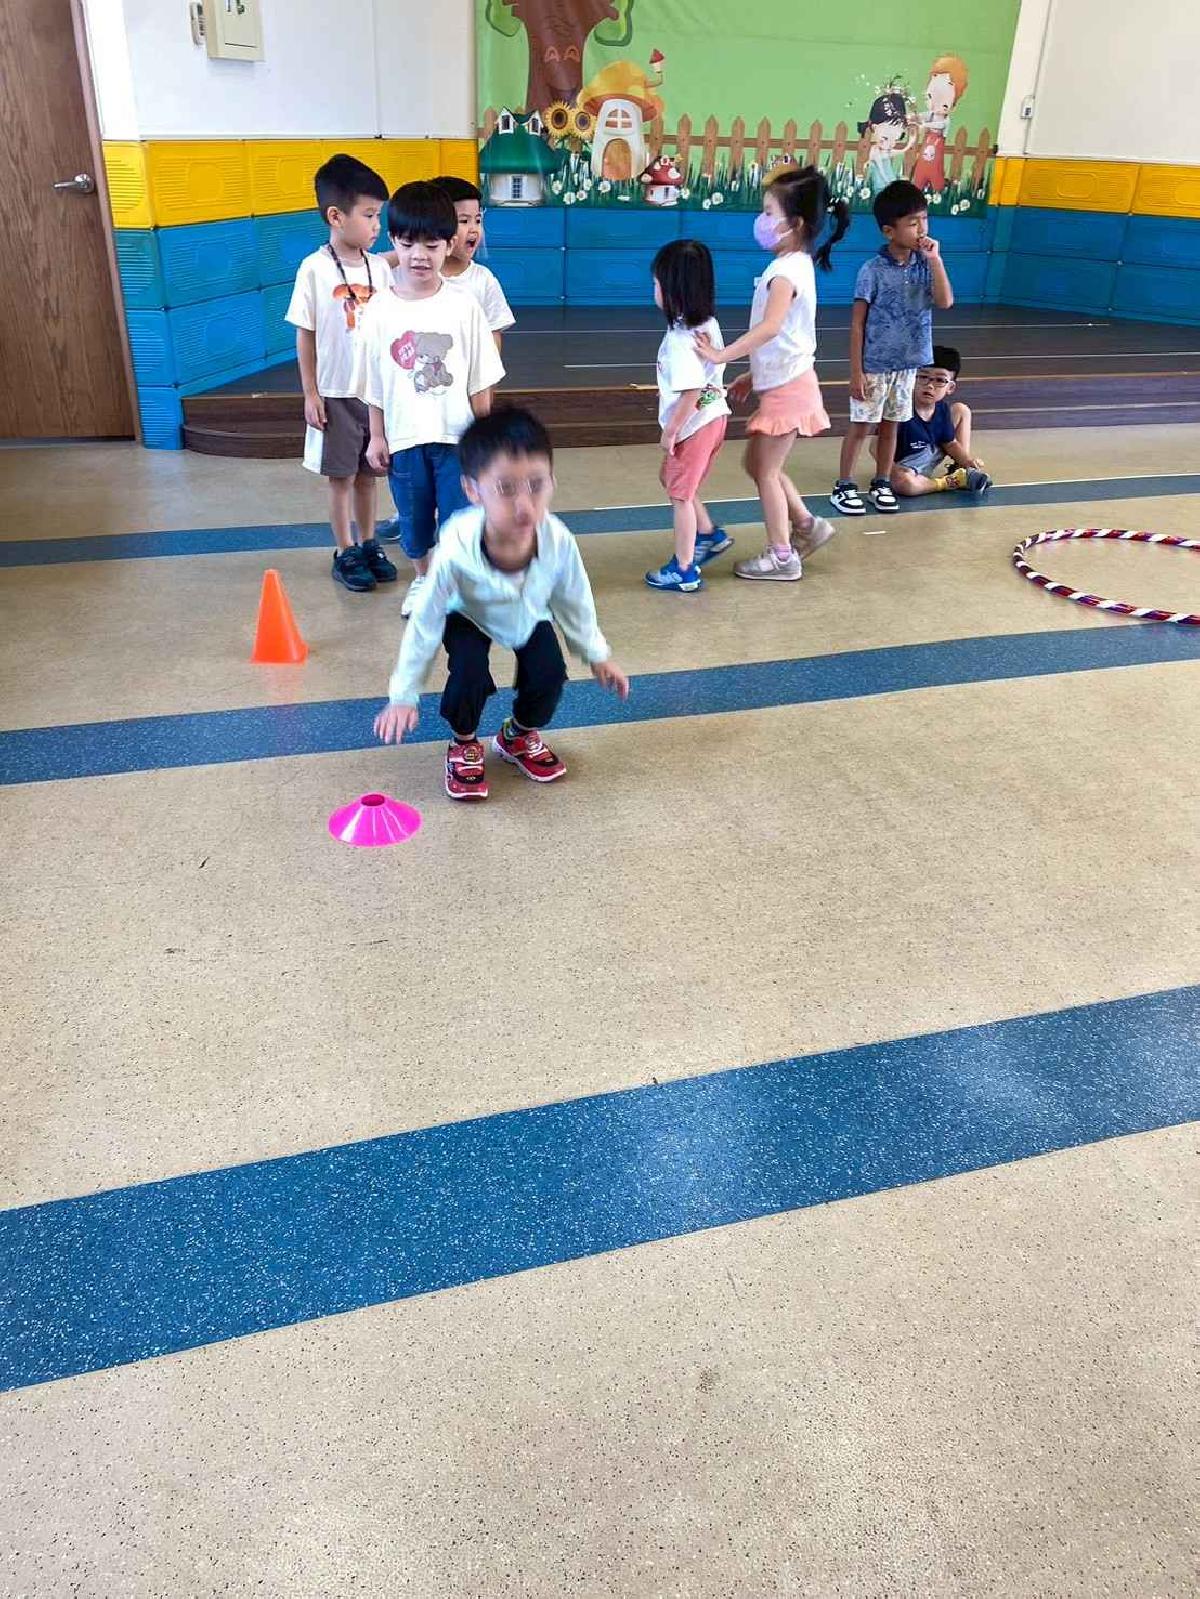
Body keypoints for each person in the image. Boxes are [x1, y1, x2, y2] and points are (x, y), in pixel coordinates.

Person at [373, 409, 630, 802]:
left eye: (537, 485)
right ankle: (464, 742)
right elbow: (425, 620)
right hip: (466, 611)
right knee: (469, 673)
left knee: (548, 674)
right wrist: (403, 694)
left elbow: (573, 598)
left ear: (552, 481)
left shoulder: (558, 540)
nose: (524, 505)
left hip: (526, 610)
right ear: (473, 490)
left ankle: (517, 735)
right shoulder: (457, 546)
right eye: (506, 489)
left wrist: (597, 654)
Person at [352, 180, 504, 616]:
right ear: (393, 241)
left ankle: (454, 584)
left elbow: (480, 378)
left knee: (460, 521)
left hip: (456, 438)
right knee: (415, 524)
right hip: (404, 439)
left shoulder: (464, 306)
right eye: (407, 244)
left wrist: (484, 441)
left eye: (431, 245)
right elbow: (375, 382)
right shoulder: (379, 310)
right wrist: (376, 436)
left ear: (448, 244)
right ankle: (423, 578)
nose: (419, 255)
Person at [694, 166, 848, 582]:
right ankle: (807, 526)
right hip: (784, 382)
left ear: (794, 223)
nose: (761, 221)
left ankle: (782, 555)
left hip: (790, 389)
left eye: (768, 213)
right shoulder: (793, 264)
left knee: (764, 470)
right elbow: (785, 336)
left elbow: (771, 327)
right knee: (758, 464)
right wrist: (753, 374)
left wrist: (723, 354)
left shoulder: (785, 273)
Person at [285, 153, 397, 593]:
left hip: (375, 395)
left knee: (370, 475)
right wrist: (311, 393)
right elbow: (306, 335)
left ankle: (368, 542)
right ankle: (344, 549)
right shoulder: (314, 270)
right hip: (335, 393)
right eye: (369, 215)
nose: (376, 225)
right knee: (341, 477)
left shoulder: (379, 268)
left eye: (379, 215)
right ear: (336, 216)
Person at [832, 179, 954, 517]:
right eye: (913, 223)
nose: (922, 229)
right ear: (889, 230)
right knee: (861, 426)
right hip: (875, 366)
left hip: (908, 365)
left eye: (924, 219)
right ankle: (844, 485)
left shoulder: (926, 265)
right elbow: (857, 324)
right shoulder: (871, 270)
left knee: (891, 426)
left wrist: (936, 260)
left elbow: (945, 301)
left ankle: (882, 482)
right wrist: (856, 372)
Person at [644, 239, 733, 592]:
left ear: (673, 290)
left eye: (656, 284)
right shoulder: (707, 323)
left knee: (680, 496)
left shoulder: (681, 339)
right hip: (714, 418)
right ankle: (708, 534)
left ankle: (684, 569)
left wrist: (671, 430)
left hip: (694, 426)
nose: (653, 290)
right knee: (674, 480)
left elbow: (692, 390)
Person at [889, 345, 992, 498]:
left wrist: (967, 461)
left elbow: (950, 444)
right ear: (913, 378)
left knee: (961, 410)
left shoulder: (942, 409)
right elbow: (874, 447)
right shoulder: (900, 409)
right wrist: (892, 471)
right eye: (923, 377)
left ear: (950, 388)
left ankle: (960, 470)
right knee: (906, 485)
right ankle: (948, 482)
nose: (930, 385)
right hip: (908, 465)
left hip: (933, 449)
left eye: (939, 380)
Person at [433, 176, 515, 352]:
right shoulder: (418, 277)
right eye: (464, 221)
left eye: (477, 220)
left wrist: (490, 369)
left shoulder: (483, 280)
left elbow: (493, 333)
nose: (474, 229)